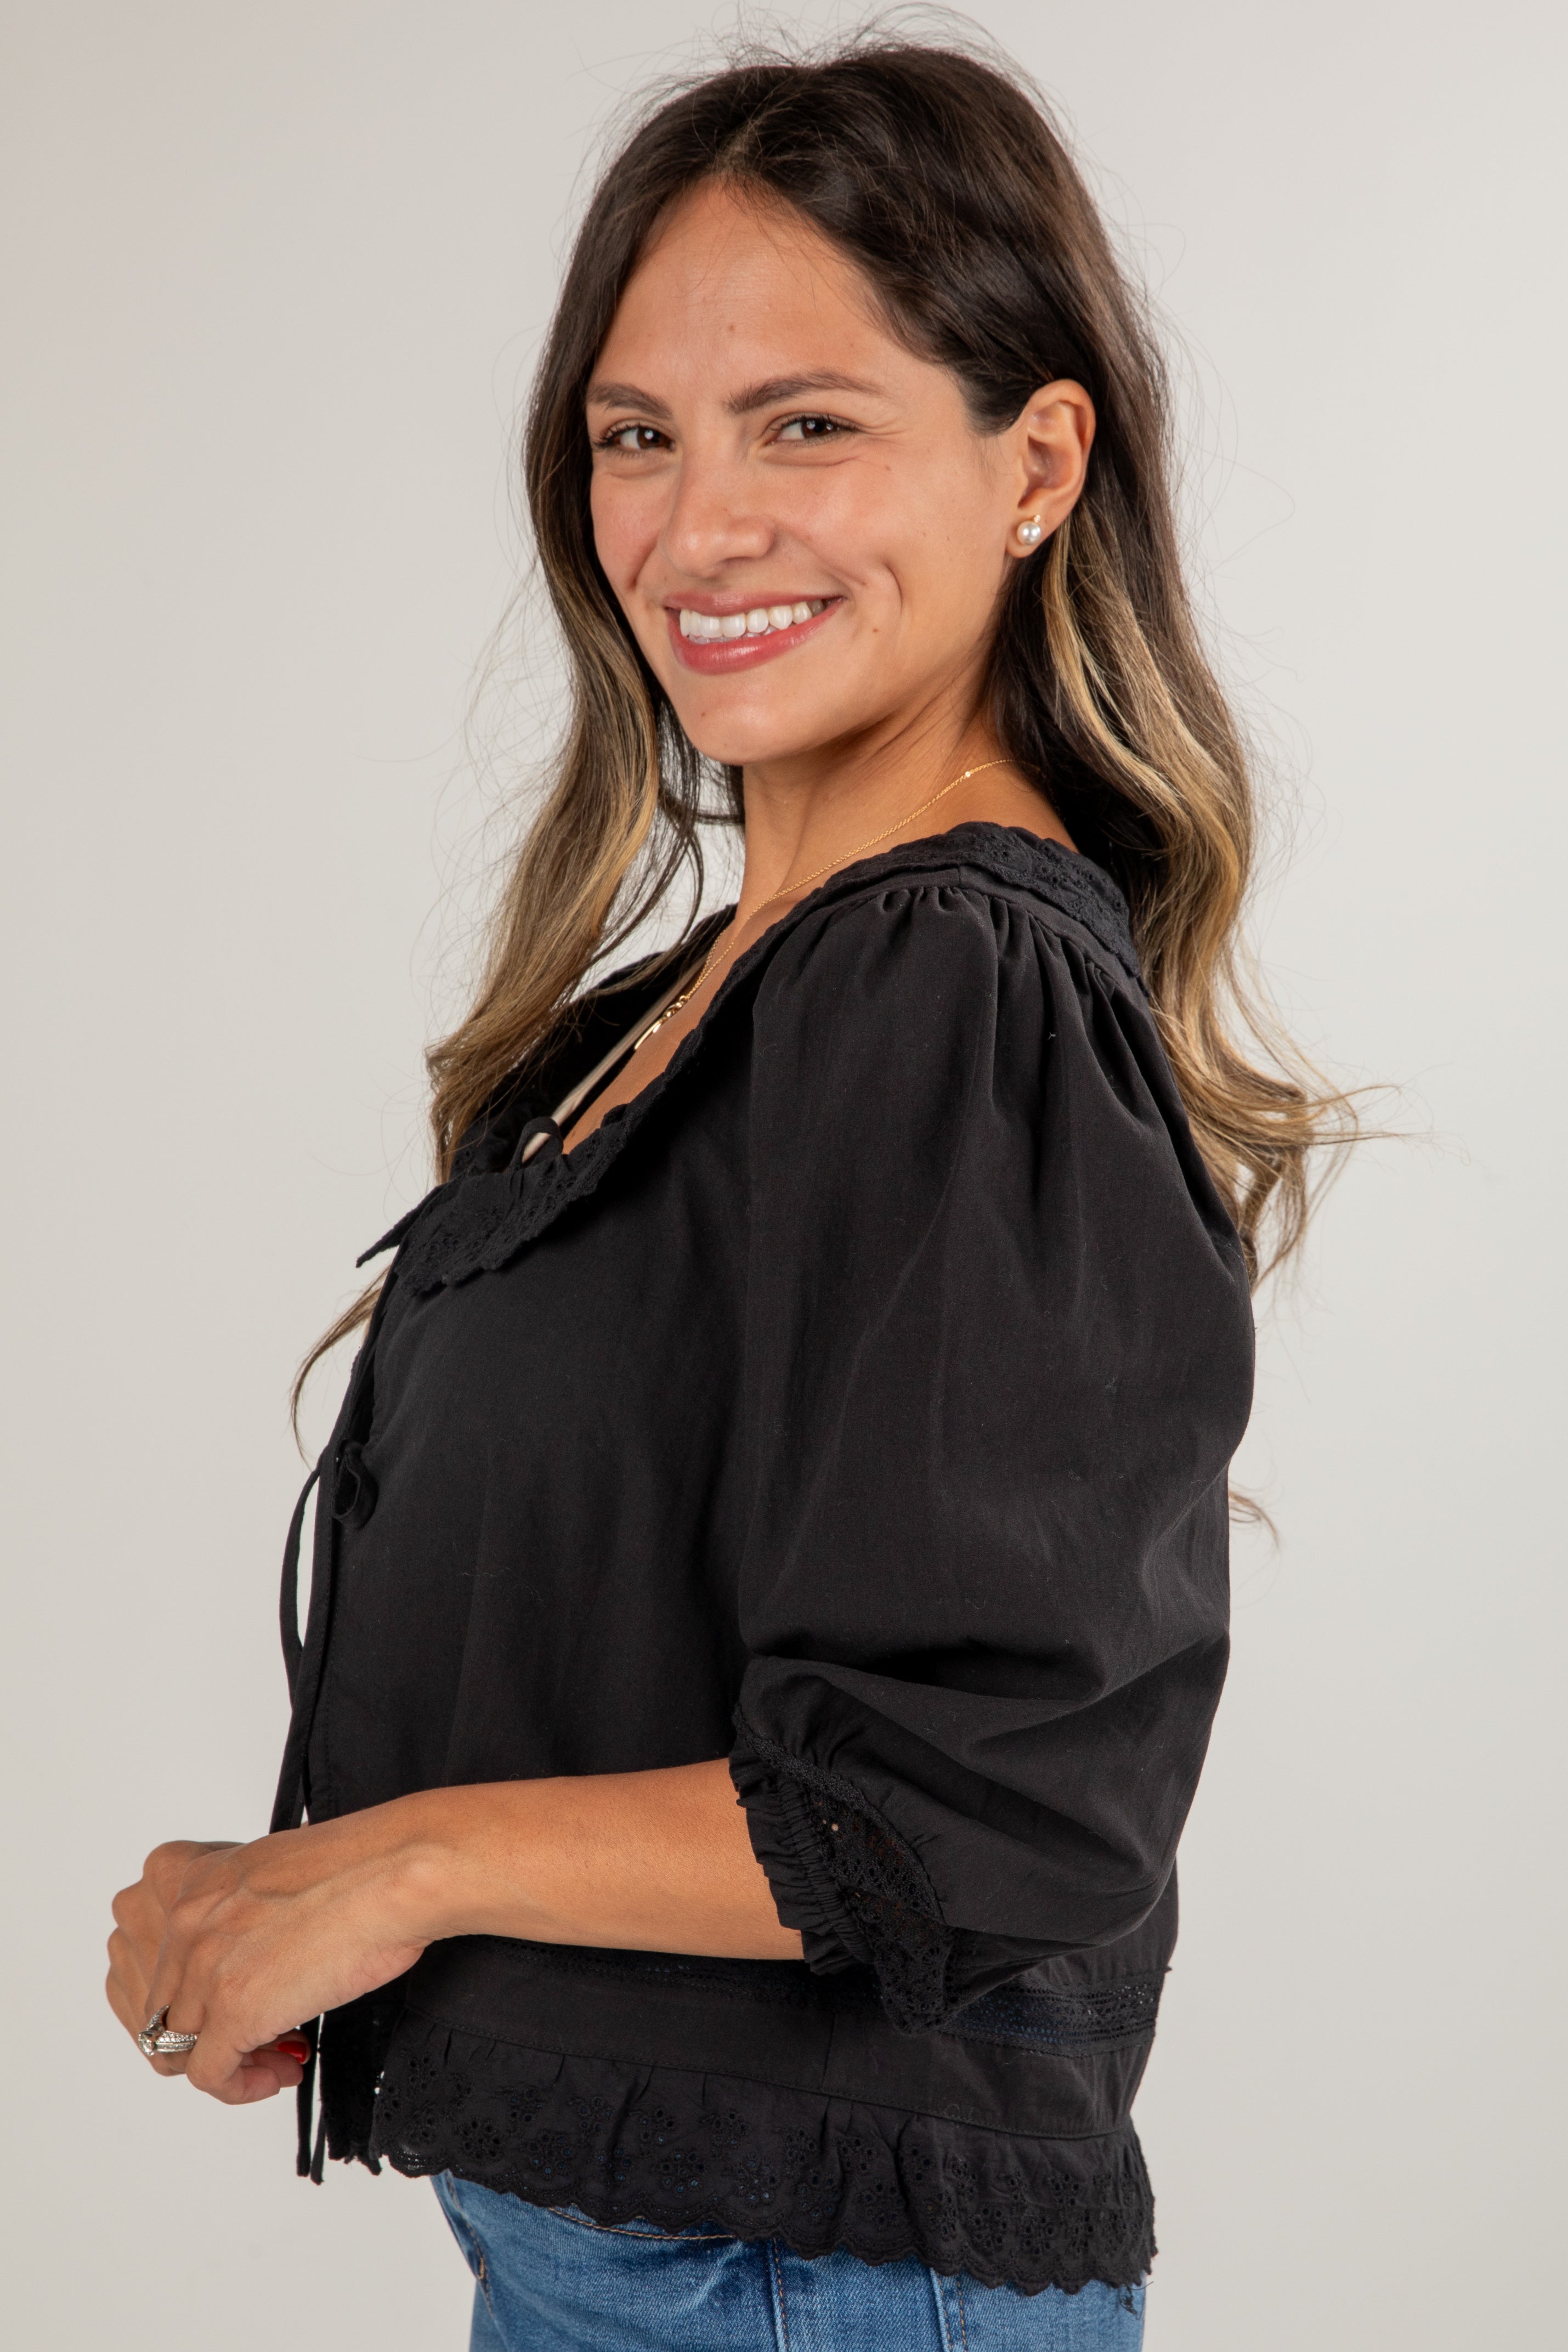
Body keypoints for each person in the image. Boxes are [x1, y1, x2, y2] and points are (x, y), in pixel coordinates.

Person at [105, 35, 1333, 2351]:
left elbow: (965, 1809)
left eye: (808, 422)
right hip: (654, 2264)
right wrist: (295, 1897)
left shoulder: (942, 980)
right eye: (633, 435)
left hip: (795, 2288)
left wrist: (391, 1874)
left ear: (1036, 462)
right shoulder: (710, 999)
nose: (694, 526)